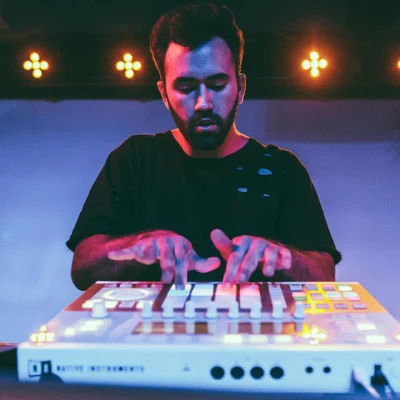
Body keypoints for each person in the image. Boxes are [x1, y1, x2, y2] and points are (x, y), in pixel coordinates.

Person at [66, 3, 341, 291]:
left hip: (257, 335)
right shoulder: (134, 160)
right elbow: (82, 267)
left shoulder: (282, 169)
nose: (203, 103)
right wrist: (138, 245)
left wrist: (282, 257)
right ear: (163, 93)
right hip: (153, 334)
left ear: (241, 87)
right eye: (186, 87)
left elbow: (325, 275)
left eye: (217, 84)